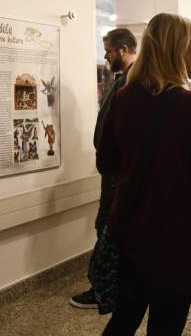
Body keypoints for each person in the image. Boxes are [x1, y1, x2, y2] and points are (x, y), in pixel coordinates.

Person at [97, 13, 191, 335]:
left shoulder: (124, 97)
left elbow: (105, 163)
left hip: (130, 229)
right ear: (177, 50)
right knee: (166, 326)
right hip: (176, 236)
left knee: (124, 320)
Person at [69, 28, 137, 309]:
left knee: (108, 226)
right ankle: (111, 287)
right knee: (108, 225)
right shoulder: (124, 79)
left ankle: (103, 290)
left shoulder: (132, 81)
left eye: (108, 50)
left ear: (123, 49)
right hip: (114, 170)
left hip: (118, 172)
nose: (106, 56)